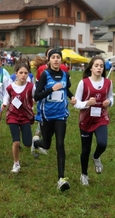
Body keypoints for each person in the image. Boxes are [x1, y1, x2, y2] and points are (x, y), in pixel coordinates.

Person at [32, 49, 76, 192]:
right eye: (53, 57)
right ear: (49, 60)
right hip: (46, 115)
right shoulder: (45, 75)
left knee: (60, 144)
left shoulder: (65, 74)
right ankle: (36, 143)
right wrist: (51, 90)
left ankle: (61, 179)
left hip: (61, 115)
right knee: (46, 144)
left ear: (61, 60)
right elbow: (37, 96)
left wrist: (72, 97)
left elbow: (65, 90)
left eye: (58, 57)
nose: (56, 60)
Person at [72, 56, 114, 186]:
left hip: (101, 118)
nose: (99, 68)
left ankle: (96, 157)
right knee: (85, 150)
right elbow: (76, 103)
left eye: (101, 66)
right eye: (96, 65)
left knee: (102, 143)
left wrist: (109, 102)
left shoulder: (108, 83)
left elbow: (111, 97)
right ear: (91, 67)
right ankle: (84, 175)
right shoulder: (83, 82)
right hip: (86, 119)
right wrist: (87, 103)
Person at [2, 62, 35, 173]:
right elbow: (6, 97)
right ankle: (16, 163)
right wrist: (4, 104)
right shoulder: (11, 87)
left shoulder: (31, 87)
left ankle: (33, 142)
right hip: (13, 115)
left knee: (27, 143)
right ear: (16, 73)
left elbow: (36, 97)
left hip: (25, 116)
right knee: (16, 142)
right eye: (21, 73)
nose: (23, 75)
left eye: (26, 73)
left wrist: (33, 103)